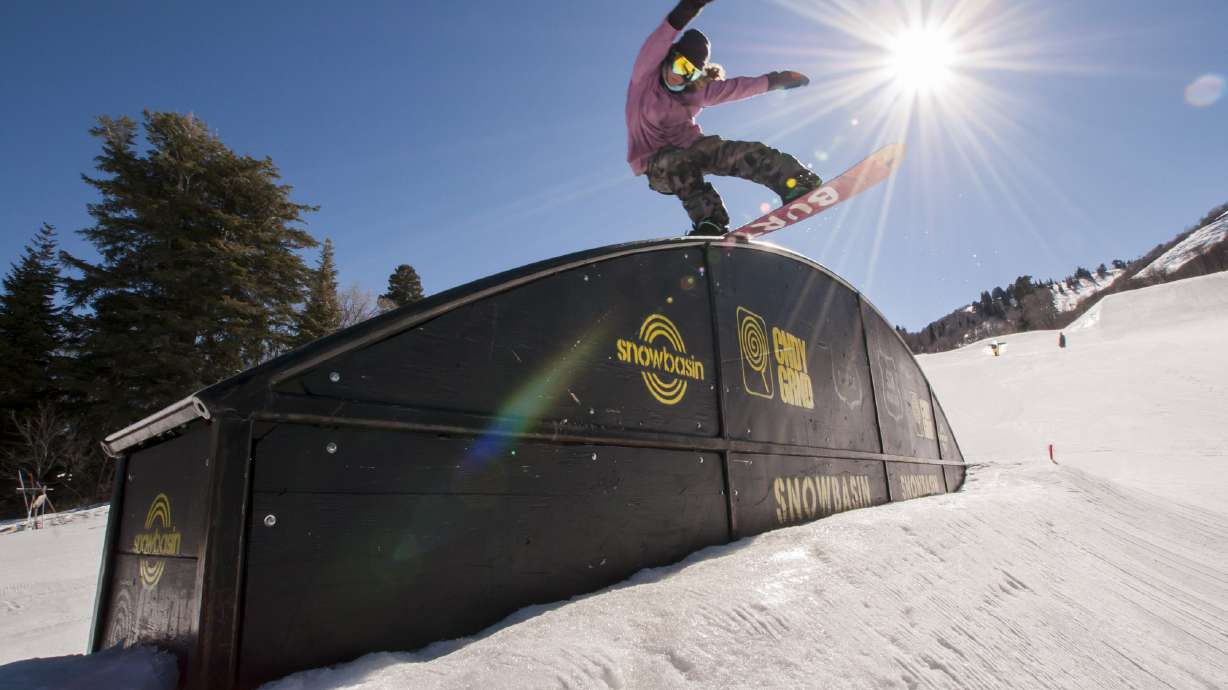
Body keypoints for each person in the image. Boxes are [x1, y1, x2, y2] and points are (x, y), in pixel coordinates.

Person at [626, 0, 822, 236]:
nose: (682, 77)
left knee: (735, 151)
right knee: (674, 160)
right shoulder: (644, 77)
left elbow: (738, 88)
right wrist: (691, 5)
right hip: (659, 168)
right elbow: (664, 34)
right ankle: (710, 221)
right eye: (680, 67)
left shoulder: (695, 90)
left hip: (693, 148)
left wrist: (776, 81)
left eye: (691, 73)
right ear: (670, 57)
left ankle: (794, 182)